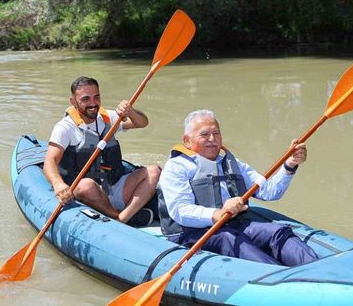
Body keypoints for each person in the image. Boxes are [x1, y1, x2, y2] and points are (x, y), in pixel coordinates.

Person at [157, 109, 318, 266]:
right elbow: (180, 210)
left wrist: (289, 165)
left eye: (216, 133)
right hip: (192, 234)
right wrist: (217, 214)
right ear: (187, 141)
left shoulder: (232, 163)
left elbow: (269, 192)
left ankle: (316, 268)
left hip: (232, 225)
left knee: (278, 232)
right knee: (230, 240)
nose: (212, 139)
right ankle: (281, 279)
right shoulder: (177, 167)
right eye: (205, 134)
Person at [43, 76, 160, 227]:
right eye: (85, 99)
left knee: (154, 171)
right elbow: (49, 161)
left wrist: (130, 111)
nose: (92, 103)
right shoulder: (65, 128)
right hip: (87, 191)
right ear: (73, 102)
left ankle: (122, 218)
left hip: (112, 184)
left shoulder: (108, 118)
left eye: (96, 97)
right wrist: (58, 184)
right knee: (86, 185)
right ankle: (121, 217)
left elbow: (142, 123)